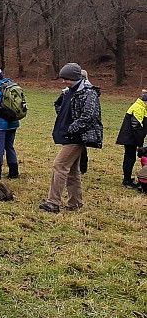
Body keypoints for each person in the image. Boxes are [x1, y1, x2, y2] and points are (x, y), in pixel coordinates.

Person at [41, 62, 103, 213]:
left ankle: (53, 202)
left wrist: (71, 128)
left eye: (66, 79)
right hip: (69, 136)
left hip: (77, 138)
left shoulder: (89, 94)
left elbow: (89, 117)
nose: (64, 81)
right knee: (73, 171)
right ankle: (75, 203)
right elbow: (59, 105)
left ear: (75, 78)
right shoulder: (68, 92)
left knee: (59, 165)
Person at [115, 90, 147, 189]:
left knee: (130, 158)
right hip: (130, 138)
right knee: (129, 159)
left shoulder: (141, 106)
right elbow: (136, 126)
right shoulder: (138, 107)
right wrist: (140, 144)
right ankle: (126, 181)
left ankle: (128, 179)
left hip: (131, 137)